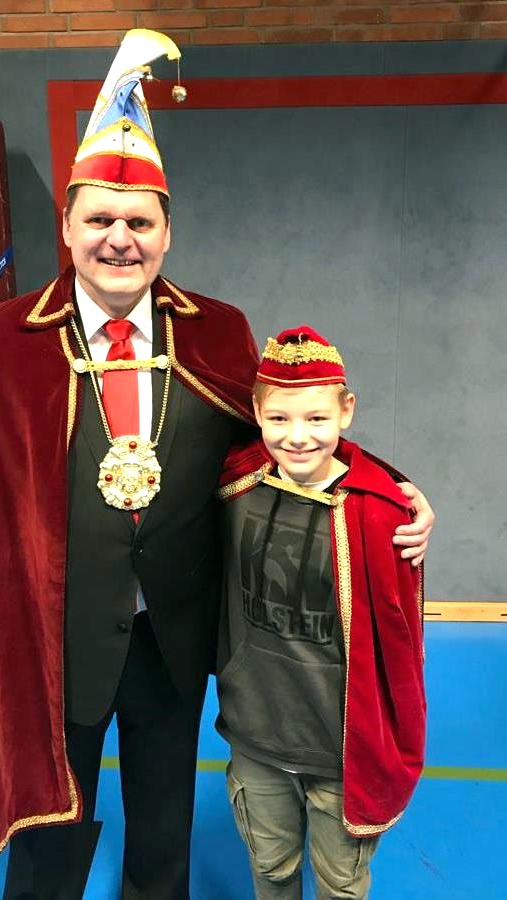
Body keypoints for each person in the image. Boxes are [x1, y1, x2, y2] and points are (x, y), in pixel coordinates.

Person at [0, 30, 433, 900]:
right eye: (100, 220)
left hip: (176, 628)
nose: (119, 239)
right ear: (67, 227)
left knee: (164, 814)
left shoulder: (217, 331)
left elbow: (283, 438)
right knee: (49, 822)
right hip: (52, 633)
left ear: (167, 233)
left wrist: (392, 494)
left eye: (139, 222)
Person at [215, 325, 427, 900]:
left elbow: (400, 642)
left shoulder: (380, 513)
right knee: (271, 869)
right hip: (257, 732)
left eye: (316, 418)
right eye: (279, 418)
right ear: (256, 412)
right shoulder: (233, 487)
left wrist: (407, 496)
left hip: (341, 747)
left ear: (346, 411)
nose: (298, 436)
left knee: (340, 884)